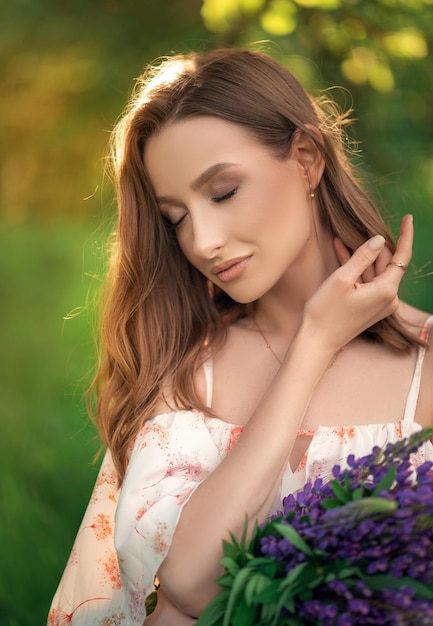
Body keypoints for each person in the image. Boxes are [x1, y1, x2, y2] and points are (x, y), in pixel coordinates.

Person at [48, 47, 433, 626]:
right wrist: (313, 345)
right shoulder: (183, 371)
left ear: (305, 159)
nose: (202, 242)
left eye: (223, 192)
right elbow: (190, 585)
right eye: (175, 218)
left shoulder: (422, 372)